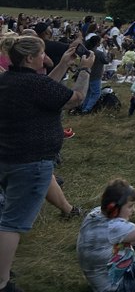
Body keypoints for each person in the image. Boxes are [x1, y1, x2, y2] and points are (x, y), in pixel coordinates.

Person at [0, 33, 93, 292]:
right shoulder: (34, 84)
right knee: (11, 224)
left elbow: (46, 88)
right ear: (30, 58)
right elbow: (76, 98)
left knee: (7, 217)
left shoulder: (8, 79)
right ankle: (2, 282)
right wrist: (84, 70)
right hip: (30, 162)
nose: (45, 57)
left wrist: (63, 64)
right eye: (41, 53)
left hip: (8, 157)